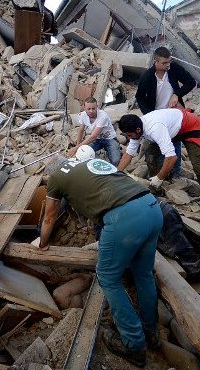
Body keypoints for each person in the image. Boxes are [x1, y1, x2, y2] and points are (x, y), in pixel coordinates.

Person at [38, 151, 163, 367]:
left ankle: (134, 345)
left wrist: (42, 243)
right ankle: (151, 332)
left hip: (124, 218)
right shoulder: (93, 162)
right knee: (143, 275)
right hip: (151, 206)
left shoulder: (57, 177)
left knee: (107, 277)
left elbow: (49, 217)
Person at [117, 109, 200, 213]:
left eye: (130, 135)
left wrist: (159, 178)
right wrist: (116, 173)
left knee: (199, 167)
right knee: (151, 155)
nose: (129, 138)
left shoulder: (154, 129)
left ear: (138, 130)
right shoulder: (137, 128)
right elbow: (129, 153)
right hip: (172, 129)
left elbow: (172, 157)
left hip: (191, 126)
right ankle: (156, 190)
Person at [135, 46, 197, 178]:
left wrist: (177, 94)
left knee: (175, 141)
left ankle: (175, 173)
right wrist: (148, 114)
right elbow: (139, 96)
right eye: (164, 63)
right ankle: (158, 172)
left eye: (169, 62)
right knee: (157, 144)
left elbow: (191, 82)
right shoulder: (147, 76)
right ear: (155, 62)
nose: (168, 65)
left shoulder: (174, 69)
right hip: (155, 115)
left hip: (172, 114)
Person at [68, 97, 121, 165]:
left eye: (93, 108)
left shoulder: (103, 116)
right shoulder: (83, 115)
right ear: (84, 108)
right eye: (89, 109)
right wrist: (78, 147)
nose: (91, 111)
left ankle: (116, 149)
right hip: (97, 140)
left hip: (109, 138)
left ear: (97, 107)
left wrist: (76, 148)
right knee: (83, 155)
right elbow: (81, 130)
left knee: (115, 161)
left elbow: (93, 136)